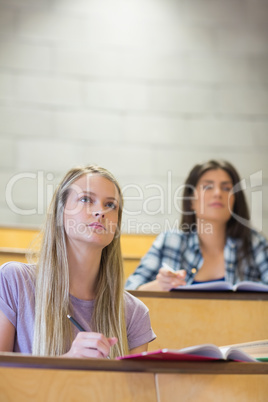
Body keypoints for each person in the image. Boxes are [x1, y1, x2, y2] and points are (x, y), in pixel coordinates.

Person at [0, 165, 155, 358]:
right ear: (60, 213)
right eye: (86, 199)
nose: (100, 211)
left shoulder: (134, 313)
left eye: (110, 205)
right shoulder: (13, 281)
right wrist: (68, 364)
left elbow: (133, 389)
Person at [125, 160, 268, 291]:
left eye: (226, 188)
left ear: (235, 201)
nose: (218, 193)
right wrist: (160, 285)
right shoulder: (170, 241)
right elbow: (128, 293)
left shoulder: (255, 244)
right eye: (208, 187)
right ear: (191, 200)